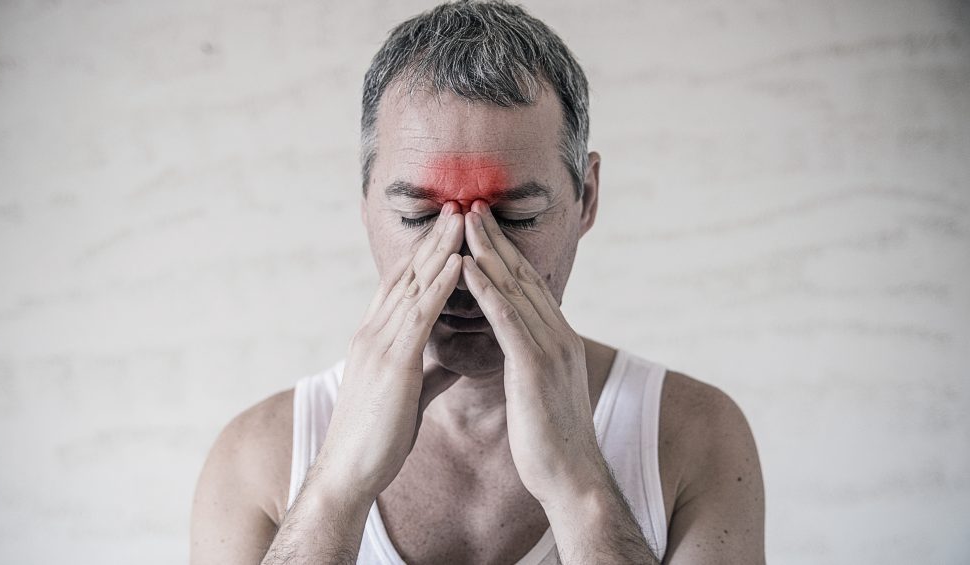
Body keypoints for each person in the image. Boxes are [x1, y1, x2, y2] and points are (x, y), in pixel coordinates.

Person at [190, 1, 765, 563]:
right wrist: (338, 489)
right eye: (419, 217)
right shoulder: (257, 458)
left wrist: (579, 490)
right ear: (365, 202)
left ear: (586, 198)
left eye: (515, 218)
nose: (464, 262)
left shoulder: (695, 437)